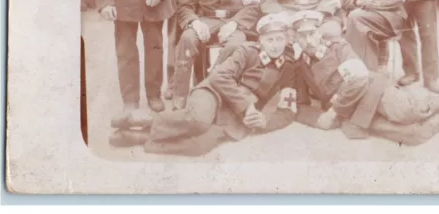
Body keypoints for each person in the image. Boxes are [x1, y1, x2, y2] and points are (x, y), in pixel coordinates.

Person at [108, 13, 301, 156]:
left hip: (233, 113)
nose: (275, 45)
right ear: (260, 40)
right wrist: (247, 105)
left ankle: (137, 137)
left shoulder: (288, 68)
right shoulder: (247, 51)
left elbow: (288, 112)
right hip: (213, 93)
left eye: (279, 39)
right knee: (199, 121)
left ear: (287, 39)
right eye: (270, 39)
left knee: (199, 146)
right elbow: (218, 77)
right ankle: (138, 120)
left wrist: (265, 121)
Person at [290, 11, 439, 145]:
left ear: (319, 33)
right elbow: (299, 105)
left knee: (405, 113)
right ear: (295, 38)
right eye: (302, 36)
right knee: (412, 136)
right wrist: (319, 120)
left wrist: (333, 111)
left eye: (312, 33)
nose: (309, 41)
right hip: (351, 109)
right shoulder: (300, 66)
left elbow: (359, 78)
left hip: (370, 90)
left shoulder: (338, 47)